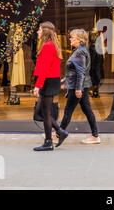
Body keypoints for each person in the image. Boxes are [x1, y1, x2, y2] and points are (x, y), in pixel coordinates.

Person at [57, 29, 100, 147]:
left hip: (77, 85)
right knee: (87, 109)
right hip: (81, 84)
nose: (70, 39)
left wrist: (78, 89)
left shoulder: (79, 52)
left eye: (72, 37)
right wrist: (65, 79)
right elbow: (75, 70)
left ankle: (59, 134)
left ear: (79, 40)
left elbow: (81, 72)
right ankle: (95, 135)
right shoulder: (78, 50)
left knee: (68, 111)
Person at [32, 21, 68, 152]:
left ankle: (49, 141)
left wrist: (38, 85)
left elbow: (44, 68)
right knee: (41, 112)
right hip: (50, 80)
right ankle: (59, 132)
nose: (38, 32)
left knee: (44, 112)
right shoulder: (51, 45)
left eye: (40, 30)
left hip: (47, 81)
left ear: (45, 32)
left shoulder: (47, 46)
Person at [88, 30, 104, 98]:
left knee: (94, 71)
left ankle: (95, 89)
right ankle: (95, 89)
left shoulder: (90, 33)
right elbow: (102, 44)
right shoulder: (100, 33)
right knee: (96, 72)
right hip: (97, 51)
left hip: (94, 51)